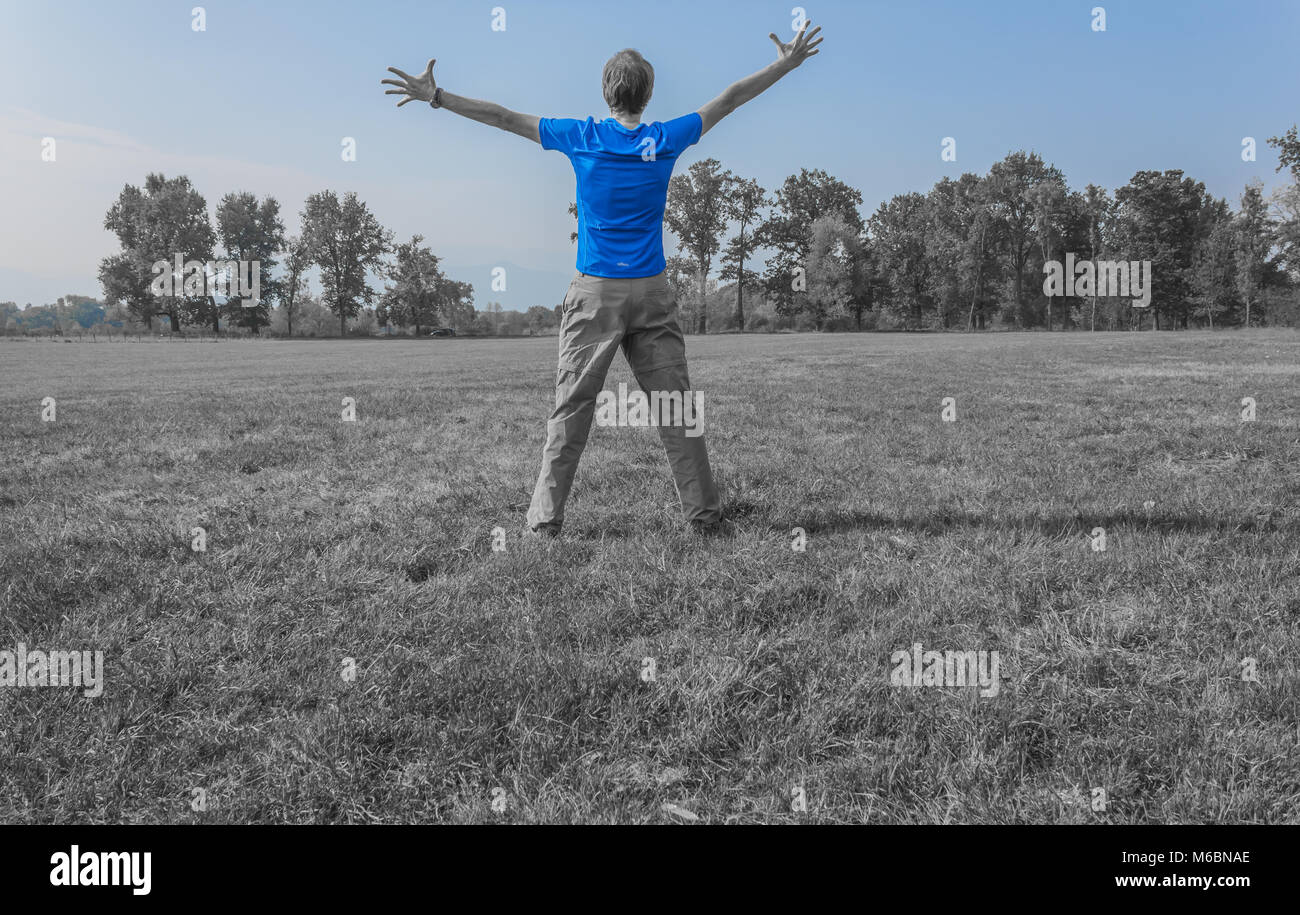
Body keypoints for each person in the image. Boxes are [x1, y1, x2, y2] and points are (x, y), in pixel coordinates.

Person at [382, 21, 823, 538]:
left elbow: (502, 117)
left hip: (594, 294)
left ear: (606, 93)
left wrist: (436, 96)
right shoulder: (663, 139)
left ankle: (545, 523)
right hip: (652, 292)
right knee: (676, 408)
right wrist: (784, 65)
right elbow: (728, 99)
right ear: (648, 94)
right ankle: (704, 518)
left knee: (571, 409)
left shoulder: (582, 137)